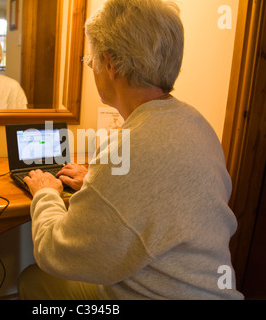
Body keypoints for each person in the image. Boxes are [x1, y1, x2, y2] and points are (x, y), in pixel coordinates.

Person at [18, 0, 244, 300]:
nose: (92, 68)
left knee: (34, 278)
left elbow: (55, 252)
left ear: (109, 64)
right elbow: (162, 194)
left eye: (91, 60)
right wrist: (98, 183)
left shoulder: (127, 148)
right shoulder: (197, 124)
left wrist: (46, 193)